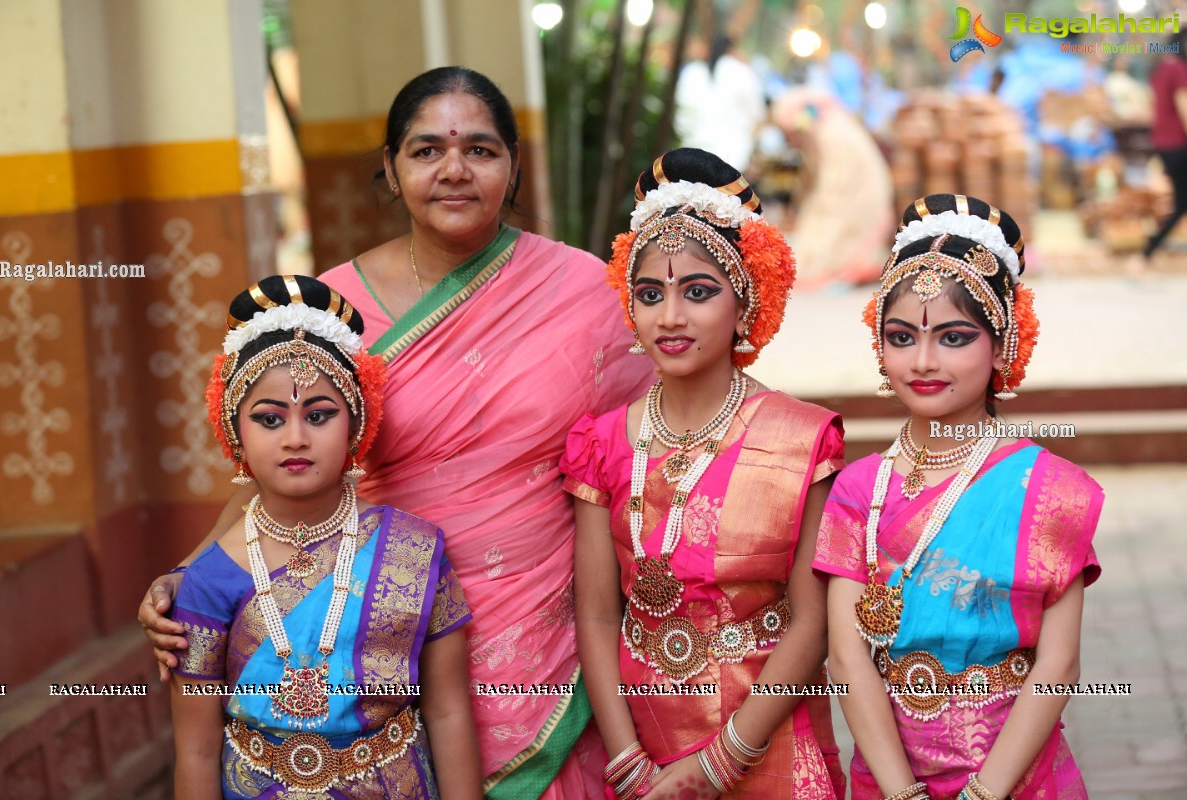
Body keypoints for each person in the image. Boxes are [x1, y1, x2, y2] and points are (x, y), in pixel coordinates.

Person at [140, 67, 652, 799]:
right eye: (424, 151)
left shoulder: (581, 294)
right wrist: (182, 577)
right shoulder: (329, 312)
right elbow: (278, 474)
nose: (453, 170)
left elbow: (640, 454)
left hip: (544, 632)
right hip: (368, 617)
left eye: (480, 149)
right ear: (389, 167)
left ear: (512, 168)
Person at [563, 148, 847, 799]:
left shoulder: (802, 440)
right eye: (649, 293)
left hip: (771, 741)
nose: (670, 316)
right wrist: (628, 763)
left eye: (698, 292)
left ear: (746, 300)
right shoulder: (600, 444)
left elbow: (812, 622)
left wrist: (720, 763)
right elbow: (598, 617)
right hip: (643, 750)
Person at [814, 194, 1103, 800]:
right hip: (886, 779)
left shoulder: (1051, 490)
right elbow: (846, 657)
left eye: (953, 337)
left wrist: (983, 794)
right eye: (901, 337)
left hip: (1018, 781)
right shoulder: (857, 488)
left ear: (1001, 347)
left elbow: (1057, 669)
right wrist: (900, 793)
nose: (922, 361)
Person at [171, 275, 479, 798]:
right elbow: (196, 751)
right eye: (269, 419)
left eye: (319, 415)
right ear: (234, 430)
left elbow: (449, 712)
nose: (296, 438)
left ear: (357, 422)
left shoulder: (413, 552)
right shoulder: (206, 583)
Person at [770, 88, 894, 288]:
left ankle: (841, 270)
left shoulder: (832, 135)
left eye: (789, 134)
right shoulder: (832, 126)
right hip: (857, 190)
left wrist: (816, 208)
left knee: (827, 230)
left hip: (860, 195)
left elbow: (835, 185)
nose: (791, 140)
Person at [675, 37, 765, 173]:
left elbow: (680, 115)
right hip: (732, 157)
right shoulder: (742, 72)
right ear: (733, 50)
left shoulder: (692, 71)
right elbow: (758, 115)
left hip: (688, 153)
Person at [1143, 30, 1187, 261]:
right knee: (1181, 202)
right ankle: (1149, 249)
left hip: (1164, 143)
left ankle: (1150, 248)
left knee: (1182, 203)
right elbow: (1184, 108)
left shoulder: (1160, 69)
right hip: (1179, 144)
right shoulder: (1179, 69)